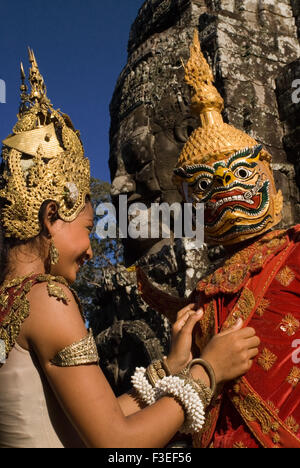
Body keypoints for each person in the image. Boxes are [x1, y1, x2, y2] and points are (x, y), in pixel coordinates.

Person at [0, 49, 260, 449]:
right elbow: (115, 444)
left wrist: (169, 369)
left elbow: (93, 419)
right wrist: (209, 371)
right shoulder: (48, 298)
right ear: (52, 217)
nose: (91, 249)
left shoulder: (11, 299)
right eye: (88, 228)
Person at [139, 31, 300, 448]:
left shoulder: (295, 250)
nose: (228, 189)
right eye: (208, 185)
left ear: (270, 176)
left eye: (243, 175)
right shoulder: (202, 296)